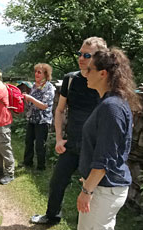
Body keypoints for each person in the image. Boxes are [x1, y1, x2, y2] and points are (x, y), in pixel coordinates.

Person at [31, 37, 108, 225]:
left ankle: (84, 223)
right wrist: (58, 138)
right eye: (80, 53)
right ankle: (52, 216)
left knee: (92, 190)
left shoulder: (104, 81)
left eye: (87, 55)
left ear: (99, 57)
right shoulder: (71, 79)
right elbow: (59, 110)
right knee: (57, 182)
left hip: (94, 148)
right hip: (71, 143)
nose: (81, 58)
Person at [77, 48, 142, 229]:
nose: (85, 74)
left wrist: (87, 190)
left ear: (103, 73)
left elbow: (105, 156)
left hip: (104, 190)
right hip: (104, 187)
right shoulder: (111, 102)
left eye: (90, 70)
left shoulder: (111, 107)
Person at [21, 63, 55, 171]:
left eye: (39, 72)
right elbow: (32, 103)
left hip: (43, 120)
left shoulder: (49, 87)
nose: (36, 74)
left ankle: (41, 167)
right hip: (32, 118)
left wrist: (30, 98)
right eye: (35, 72)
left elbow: (44, 105)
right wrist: (27, 99)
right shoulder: (35, 86)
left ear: (46, 74)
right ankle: (27, 163)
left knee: (40, 144)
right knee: (28, 141)